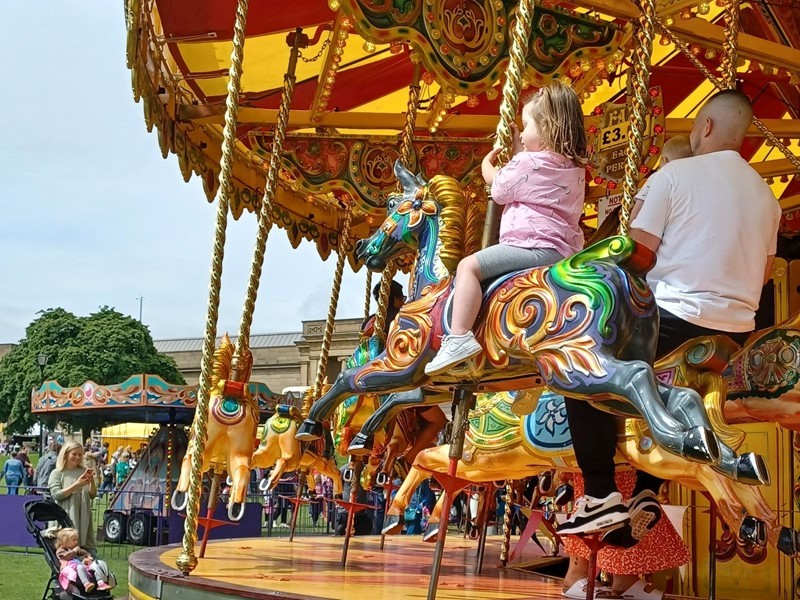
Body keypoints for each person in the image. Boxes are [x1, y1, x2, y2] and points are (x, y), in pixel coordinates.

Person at [559, 89, 780, 538]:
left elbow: (634, 254)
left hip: (670, 323)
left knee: (577, 362)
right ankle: (647, 486)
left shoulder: (674, 176)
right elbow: (761, 277)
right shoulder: (768, 199)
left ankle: (599, 492)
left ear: (706, 127)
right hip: (733, 337)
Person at [425, 81, 587, 375]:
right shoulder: (573, 168)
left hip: (531, 247)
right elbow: (531, 178)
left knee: (468, 267)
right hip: (563, 251)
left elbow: (499, 188)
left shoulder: (526, 163)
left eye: (526, 126)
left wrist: (487, 165)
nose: (521, 134)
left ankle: (458, 336)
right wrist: (519, 152)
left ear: (547, 127)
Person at [49, 442, 98, 555]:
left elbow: (92, 495)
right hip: (66, 516)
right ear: (66, 454)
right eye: (74, 454)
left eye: (80, 455)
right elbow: (56, 495)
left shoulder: (83, 471)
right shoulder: (57, 473)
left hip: (83, 516)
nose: (77, 457)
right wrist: (77, 484)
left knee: (90, 555)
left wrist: (91, 482)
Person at [55, 527, 114, 592]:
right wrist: (74, 551)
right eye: (73, 540)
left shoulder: (75, 548)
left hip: (80, 567)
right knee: (80, 567)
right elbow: (67, 556)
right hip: (72, 569)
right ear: (64, 541)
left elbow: (83, 552)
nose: (76, 542)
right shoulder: (60, 551)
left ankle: (101, 582)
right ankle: (86, 584)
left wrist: (88, 556)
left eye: (76, 540)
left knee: (95, 565)